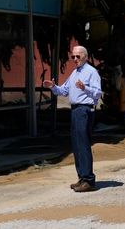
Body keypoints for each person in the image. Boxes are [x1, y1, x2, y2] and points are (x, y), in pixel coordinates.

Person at [43, 45, 102, 192]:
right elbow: (64, 91)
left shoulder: (91, 72)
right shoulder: (75, 72)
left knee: (83, 144)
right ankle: (82, 177)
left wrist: (85, 88)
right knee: (76, 145)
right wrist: (53, 87)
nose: (75, 59)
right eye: (73, 57)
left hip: (85, 109)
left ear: (85, 56)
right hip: (75, 110)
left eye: (78, 56)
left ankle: (89, 180)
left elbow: (98, 93)